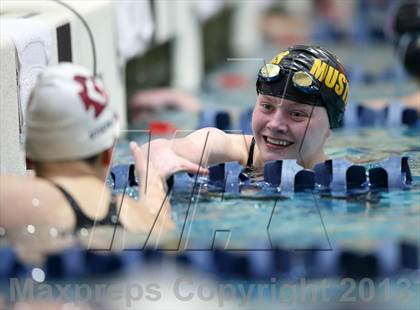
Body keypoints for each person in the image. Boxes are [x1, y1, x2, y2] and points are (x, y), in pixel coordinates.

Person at [130, 45, 349, 197]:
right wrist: (162, 155)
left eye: (297, 114)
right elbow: (166, 148)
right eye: (267, 106)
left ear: (331, 124)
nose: (275, 125)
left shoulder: (348, 179)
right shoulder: (229, 148)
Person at [0, 63, 173, 234]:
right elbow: (161, 224)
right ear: (108, 153)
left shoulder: (11, 198)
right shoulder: (131, 215)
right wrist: (153, 183)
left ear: (28, 159)